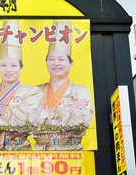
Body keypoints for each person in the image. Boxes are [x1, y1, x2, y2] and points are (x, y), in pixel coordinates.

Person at [34, 20, 94, 151]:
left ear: (71, 63)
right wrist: (69, 109)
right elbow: (28, 121)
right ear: (46, 62)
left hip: (72, 151)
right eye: (51, 59)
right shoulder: (35, 91)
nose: (56, 63)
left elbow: (83, 120)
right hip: (40, 152)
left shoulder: (81, 91)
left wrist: (50, 113)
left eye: (61, 59)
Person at [0, 19, 41, 150]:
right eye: (3, 65)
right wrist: (14, 110)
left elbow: (27, 120)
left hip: (20, 149)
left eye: (13, 65)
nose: (8, 70)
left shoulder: (32, 91)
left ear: (21, 67)